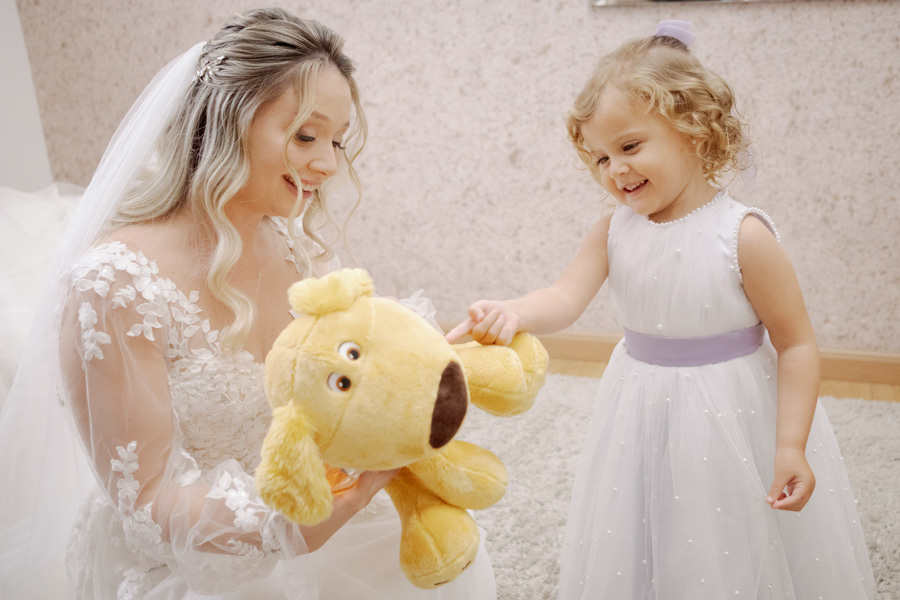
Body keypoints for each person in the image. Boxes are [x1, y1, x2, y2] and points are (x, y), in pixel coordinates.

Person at [0, 7, 496, 599]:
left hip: (320, 504)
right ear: (225, 120)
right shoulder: (117, 284)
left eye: (336, 141)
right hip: (199, 555)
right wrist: (293, 524)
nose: (327, 164)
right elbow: (147, 499)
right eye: (306, 135)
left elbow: (337, 372)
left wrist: (418, 367)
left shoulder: (288, 239)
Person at [446, 20, 874, 600]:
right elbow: (564, 297)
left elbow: (796, 343)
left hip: (730, 408)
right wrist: (513, 311)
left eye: (629, 146)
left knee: (722, 520)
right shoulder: (612, 231)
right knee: (644, 514)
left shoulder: (742, 235)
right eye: (599, 158)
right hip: (640, 400)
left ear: (694, 132)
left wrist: (789, 445)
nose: (615, 170)